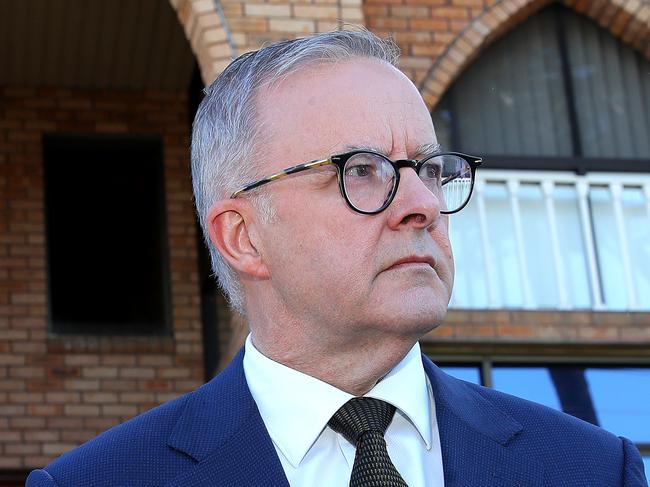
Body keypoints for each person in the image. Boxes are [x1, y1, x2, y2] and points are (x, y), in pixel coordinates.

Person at [27, 29, 647, 487]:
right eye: (363, 171)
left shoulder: (594, 469)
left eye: (429, 169)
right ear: (243, 237)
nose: (422, 205)